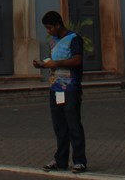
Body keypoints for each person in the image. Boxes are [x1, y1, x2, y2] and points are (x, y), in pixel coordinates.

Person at [32, 10, 87, 173]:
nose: (48, 31)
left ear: (58, 25)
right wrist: (43, 64)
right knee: (59, 125)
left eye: (50, 28)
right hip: (56, 88)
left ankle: (80, 160)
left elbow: (77, 60)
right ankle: (60, 160)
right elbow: (52, 60)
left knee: (73, 124)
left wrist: (56, 64)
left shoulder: (74, 39)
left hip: (71, 88)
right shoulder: (53, 41)